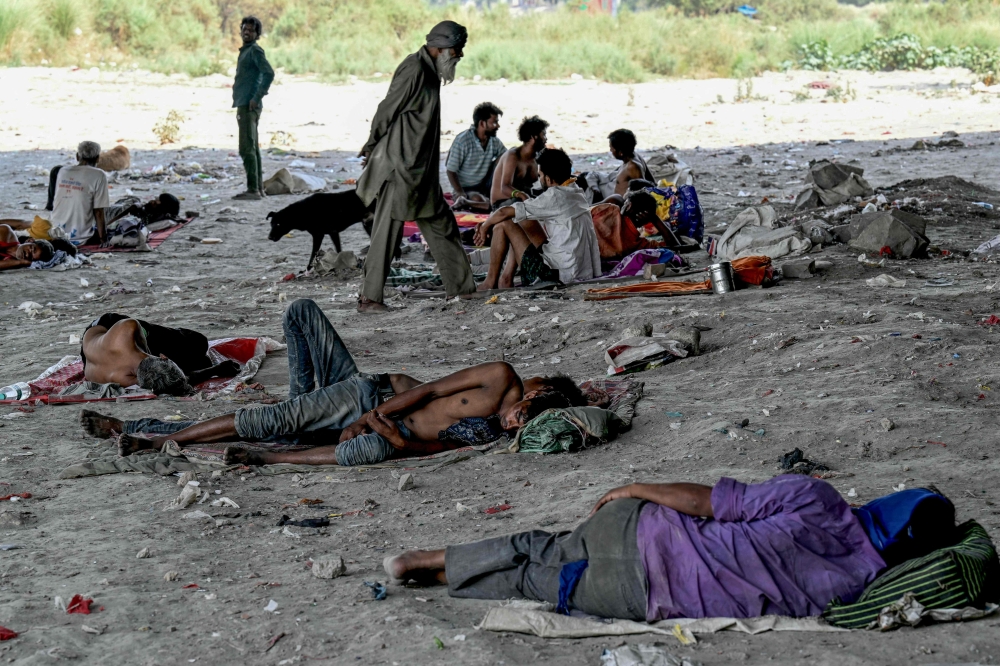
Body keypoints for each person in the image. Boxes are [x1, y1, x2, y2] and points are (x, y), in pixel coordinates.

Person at [83, 299, 578, 465]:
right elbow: (427, 392)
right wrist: (370, 418)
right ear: (535, 394)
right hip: (366, 395)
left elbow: (420, 444)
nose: (516, 424)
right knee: (299, 314)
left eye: (521, 426)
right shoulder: (500, 377)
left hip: (363, 413)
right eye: (524, 415)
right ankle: (165, 438)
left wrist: (377, 433)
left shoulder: (492, 430)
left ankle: (145, 432)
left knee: (276, 428)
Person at [384, 475, 888, 621]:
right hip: (638, 596)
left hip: (642, 532)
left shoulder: (816, 499)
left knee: (540, 545)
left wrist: (635, 488)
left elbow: (705, 502)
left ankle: (427, 560)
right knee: (535, 581)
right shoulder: (861, 587)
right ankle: (444, 577)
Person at [356, 21, 476, 313]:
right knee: (386, 234)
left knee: (443, 226)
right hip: (400, 168)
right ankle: (369, 299)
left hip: (421, 172)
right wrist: (371, 146)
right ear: (439, 48)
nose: (459, 54)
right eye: (456, 49)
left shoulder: (432, 72)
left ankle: (462, 291)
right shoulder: (415, 70)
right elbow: (387, 109)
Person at [474, 149, 601, 290]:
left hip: (556, 276)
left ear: (549, 179)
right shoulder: (576, 191)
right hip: (580, 270)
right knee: (521, 219)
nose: (539, 179)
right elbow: (519, 212)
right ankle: (505, 279)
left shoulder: (554, 196)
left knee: (504, 224)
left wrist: (485, 226)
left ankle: (490, 282)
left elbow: (504, 212)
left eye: (540, 175)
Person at [80, 314, 241, 394]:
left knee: (199, 343)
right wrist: (215, 370)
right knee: (202, 356)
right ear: (163, 356)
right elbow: (172, 383)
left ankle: (178, 345)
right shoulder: (125, 377)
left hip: (107, 328)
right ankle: (183, 360)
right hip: (96, 351)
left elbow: (169, 379)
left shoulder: (128, 328)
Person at [232, 16, 275, 201]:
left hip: (249, 105)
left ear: (257, 34)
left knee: (246, 147)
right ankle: (258, 188)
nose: (246, 32)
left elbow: (269, 73)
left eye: (251, 30)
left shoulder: (255, 51)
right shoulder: (246, 51)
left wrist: (257, 97)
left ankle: (253, 190)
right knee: (253, 147)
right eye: (244, 29)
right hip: (244, 103)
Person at [47, 140, 110, 243]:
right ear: (98, 158)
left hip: (55, 232)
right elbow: (98, 211)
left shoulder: (62, 171)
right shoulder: (99, 175)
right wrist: (103, 239)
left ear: (77, 156)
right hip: (80, 237)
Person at [448, 102, 506, 212]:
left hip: (485, 184)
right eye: (494, 122)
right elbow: (451, 171)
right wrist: (460, 192)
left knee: (506, 156)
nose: (498, 126)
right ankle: (464, 201)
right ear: (482, 123)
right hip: (466, 188)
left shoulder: (494, 141)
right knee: (478, 199)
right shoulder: (463, 141)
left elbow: (507, 158)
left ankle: (483, 201)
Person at [590, 190, 682, 259]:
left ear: (628, 205)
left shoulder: (610, 209)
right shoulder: (637, 244)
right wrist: (655, 219)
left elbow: (581, 214)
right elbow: (675, 247)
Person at [490, 115, 548, 211]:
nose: (546, 139)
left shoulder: (536, 158)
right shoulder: (513, 156)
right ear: (533, 137)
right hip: (502, 204)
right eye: (544, 134)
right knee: (520, 203)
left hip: (524, 199)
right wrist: (520, 194)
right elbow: (505, 187)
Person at [0, 225, 73, 271]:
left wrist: (21, 262)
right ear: (29, 240)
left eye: (31, 257)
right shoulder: (6, 233)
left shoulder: (11, 260)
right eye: (32, 249)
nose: (28, 254)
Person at [609, 129, 654, 197]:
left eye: (612, 148)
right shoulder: (633, 157)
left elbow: (642, 192)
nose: (611, 150)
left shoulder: (632, 167)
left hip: (624, 204)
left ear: (620, 152)